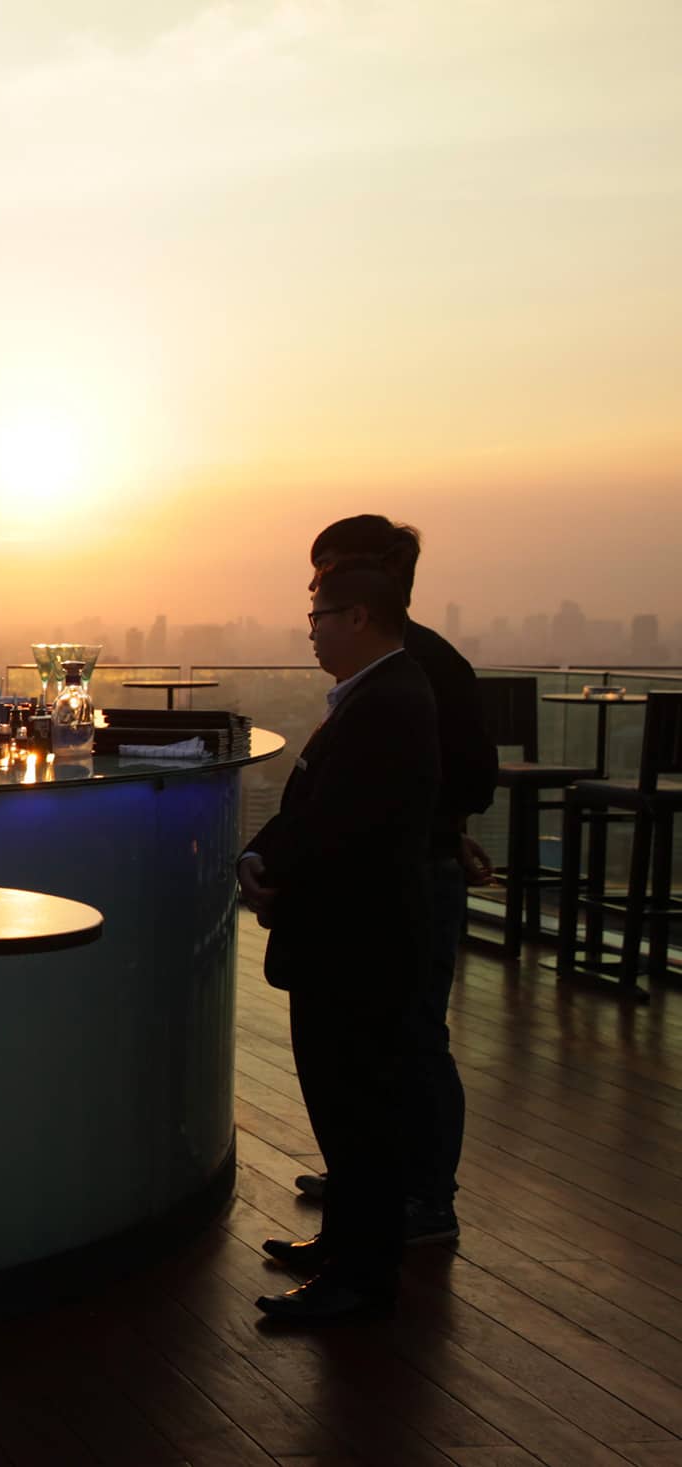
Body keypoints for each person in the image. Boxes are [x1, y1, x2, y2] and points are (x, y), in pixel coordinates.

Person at [239, 556, 438, 1323]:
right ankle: (345, 1247)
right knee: (347, 1109)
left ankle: (358, 1278)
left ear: (358, 616)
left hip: (357, 945)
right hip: (353, 941)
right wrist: (266, 856)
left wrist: (273, 872)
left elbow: (340, 825)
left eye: (318, 614)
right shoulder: (377, 693)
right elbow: (316, 809)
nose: (311, 630)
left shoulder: (386, 701)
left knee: (359, 1113)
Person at [292, 517, 498, 1246]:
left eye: (323, 573)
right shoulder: (400, 662)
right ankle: (373, 1181)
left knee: (412, 1040)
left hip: (408, 878)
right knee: (385, 1046)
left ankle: (426, 1197)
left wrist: (429, 827)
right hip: (417, 864)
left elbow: (464, 776)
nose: (313, 589)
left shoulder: (416, 665)